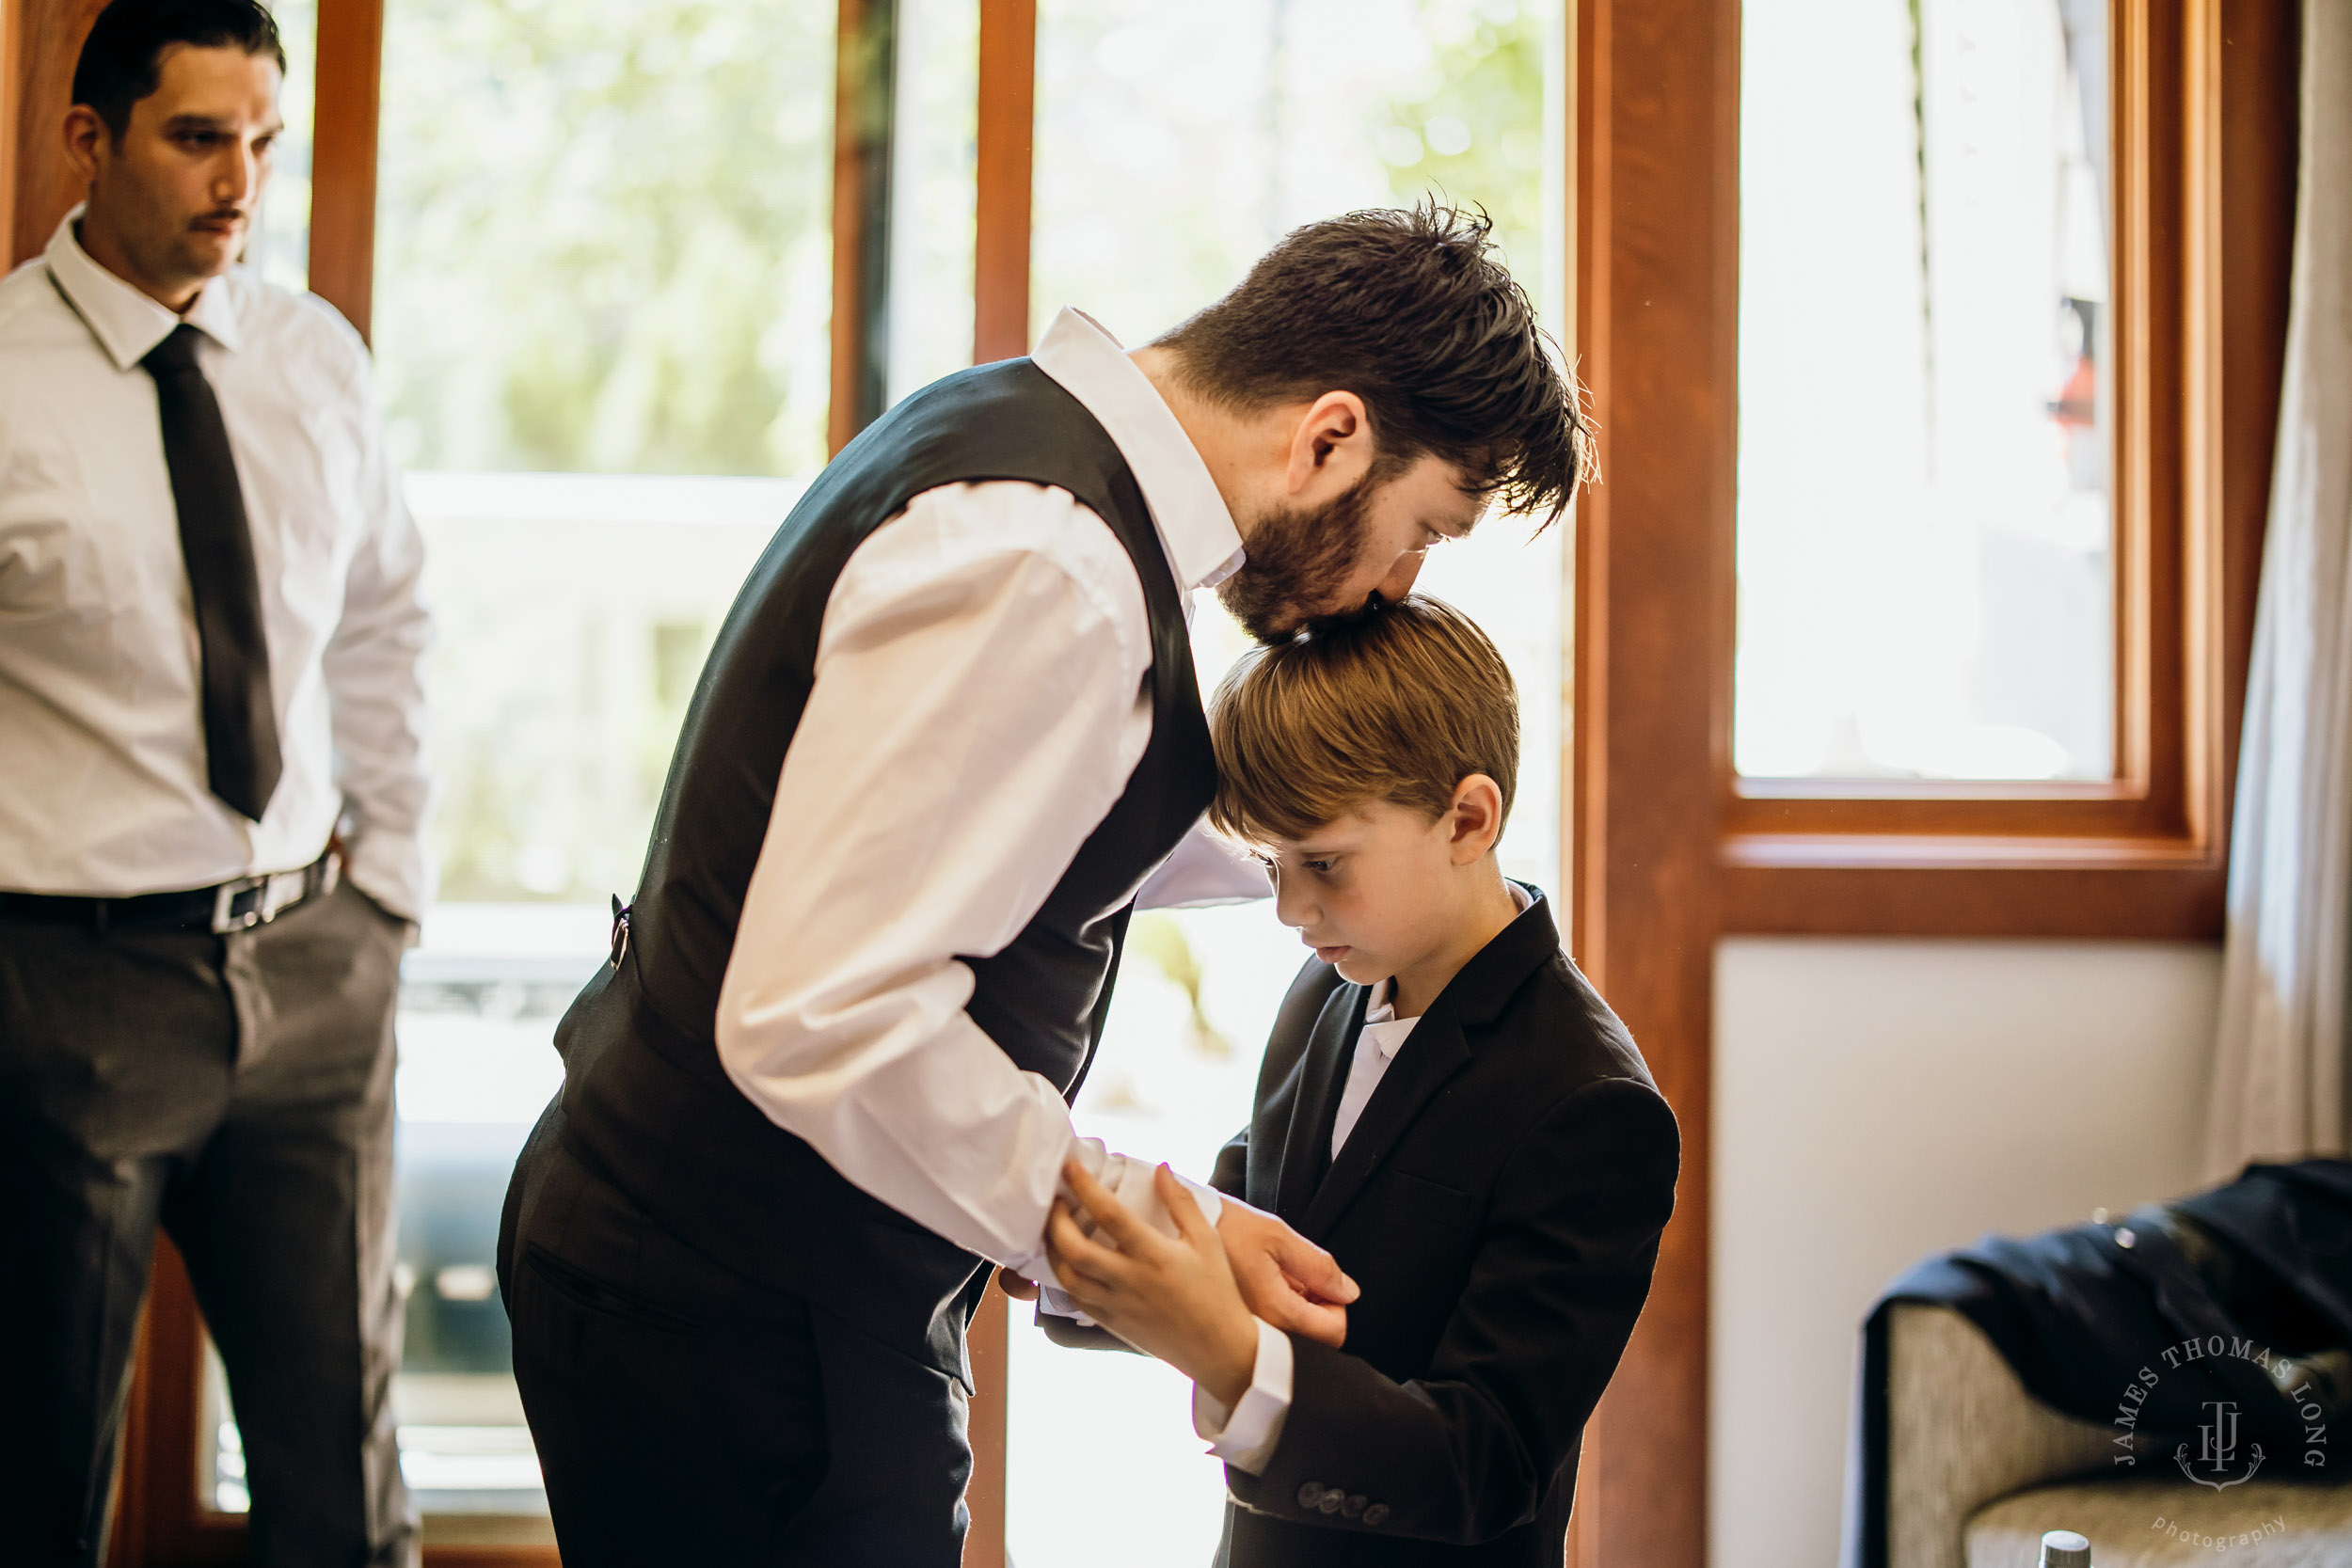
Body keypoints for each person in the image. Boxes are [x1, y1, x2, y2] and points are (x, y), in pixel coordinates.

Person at [498, 205, 1587, 1564]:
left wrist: (1163, 1226)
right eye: (1422, 531)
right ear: (1330, 439)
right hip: (741, 1303)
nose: (1395, 588)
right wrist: (1107, 1218)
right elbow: (820, 1014)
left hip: (734, 1269)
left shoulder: (1015, 449)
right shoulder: (1052, 560)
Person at [0, 3, 432, 1565]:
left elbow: (384, 622)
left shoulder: (315, 356)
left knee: (343, 1479)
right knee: (35, 1472)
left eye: (262, 142)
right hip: (64, 991)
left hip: (313, 972)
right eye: (198, 138)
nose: (239, 182)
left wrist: (385, 898)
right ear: (88, 139)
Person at [1030, 594, 1681, 1567]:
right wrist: (1073, 1242)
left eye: (1323, 860)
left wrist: (1240, 1365)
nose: (1290, 905)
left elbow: (1488, 1459)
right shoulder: (1325, 989)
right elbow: (1245, 1235)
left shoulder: (1591, 1105)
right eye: (1271, 860)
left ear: (1468, 817)